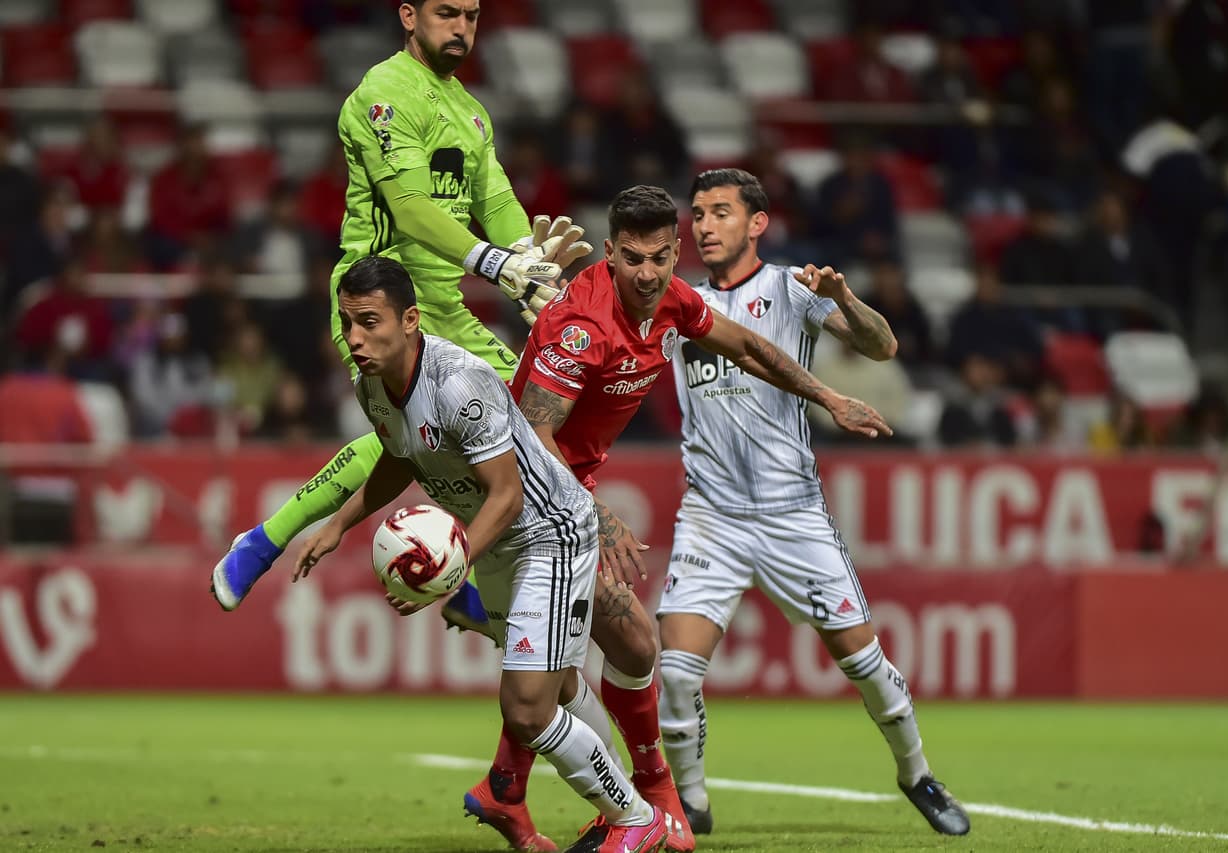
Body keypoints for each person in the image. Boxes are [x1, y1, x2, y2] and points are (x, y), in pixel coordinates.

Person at [469, 185, 891, 853]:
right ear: (609, 253)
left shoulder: (671, 298)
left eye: (660, 258)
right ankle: (645, 798)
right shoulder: (581, 325)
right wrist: (594, 511)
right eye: (632, 259)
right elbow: (533, 432)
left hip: (565, 496)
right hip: (533, 499)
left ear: (675, 253)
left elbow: (749, 347)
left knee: (615, 653)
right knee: (616, 652)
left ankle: (512, 786)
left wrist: (828, 396)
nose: (646, 273)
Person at [211, 0, 586, 628]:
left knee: (530, 423)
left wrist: (528, 259)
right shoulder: (384, 94)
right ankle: (265, 541)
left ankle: (475, 585)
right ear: (409, 16)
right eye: (446, 13)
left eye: (471, 15)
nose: (461, 26)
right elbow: (411, 208)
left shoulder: (469, 111)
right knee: (412, 438)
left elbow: (495, 200)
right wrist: (498, 265)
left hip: (445, 305)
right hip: (379, 299)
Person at [295, 256, 671, 853]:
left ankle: (635, 819)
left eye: (369, 322)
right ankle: (626, 810)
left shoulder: (459, 383)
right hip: (498, 544)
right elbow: (400, 455)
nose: (355, 338)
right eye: (347, 323)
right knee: (561, 690)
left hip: (549, 532)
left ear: (411, 320)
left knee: (525, 710)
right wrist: (338, 524)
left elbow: (507, 491)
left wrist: (453, 566)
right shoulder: (371, 384)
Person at [655, 169, 970, 837]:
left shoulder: (790, 288)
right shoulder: (677, 302)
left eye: (720, 213)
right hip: (711, 514)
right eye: (699, 214)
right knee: (677, 671)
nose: (704, 226)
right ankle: (690, 800)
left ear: (756, 223)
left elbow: (882, 347)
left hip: (791, 512)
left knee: (864, 661)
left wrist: (846, 299)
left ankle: (916, 772)